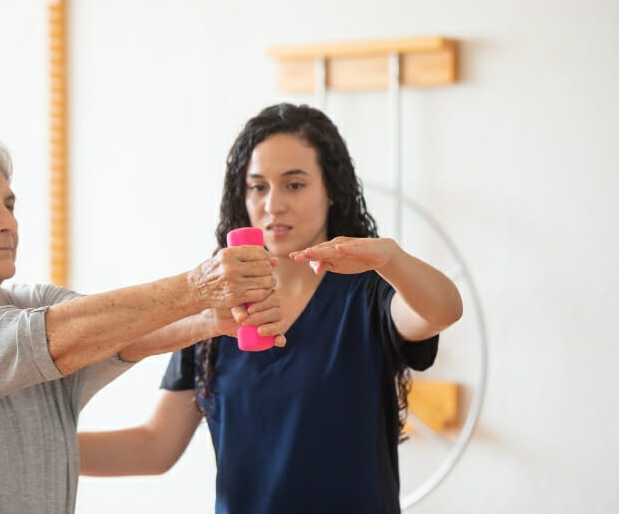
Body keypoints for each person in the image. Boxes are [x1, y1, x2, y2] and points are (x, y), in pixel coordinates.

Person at [0, 130, 282, 514]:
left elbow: (121, 334)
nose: (7, 222)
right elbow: (50, 338)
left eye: (9, 205)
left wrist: (211, 318)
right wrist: (197, 288)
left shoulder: (35, 304)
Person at [78, 103, 463, 514]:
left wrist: (389, 257)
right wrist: (34, 444)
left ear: (331, 190)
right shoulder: (215, 311)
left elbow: (442, 310)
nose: (272, 205)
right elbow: (155, 446)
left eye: (294, 185)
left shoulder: (368, 295)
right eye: (258, 187)